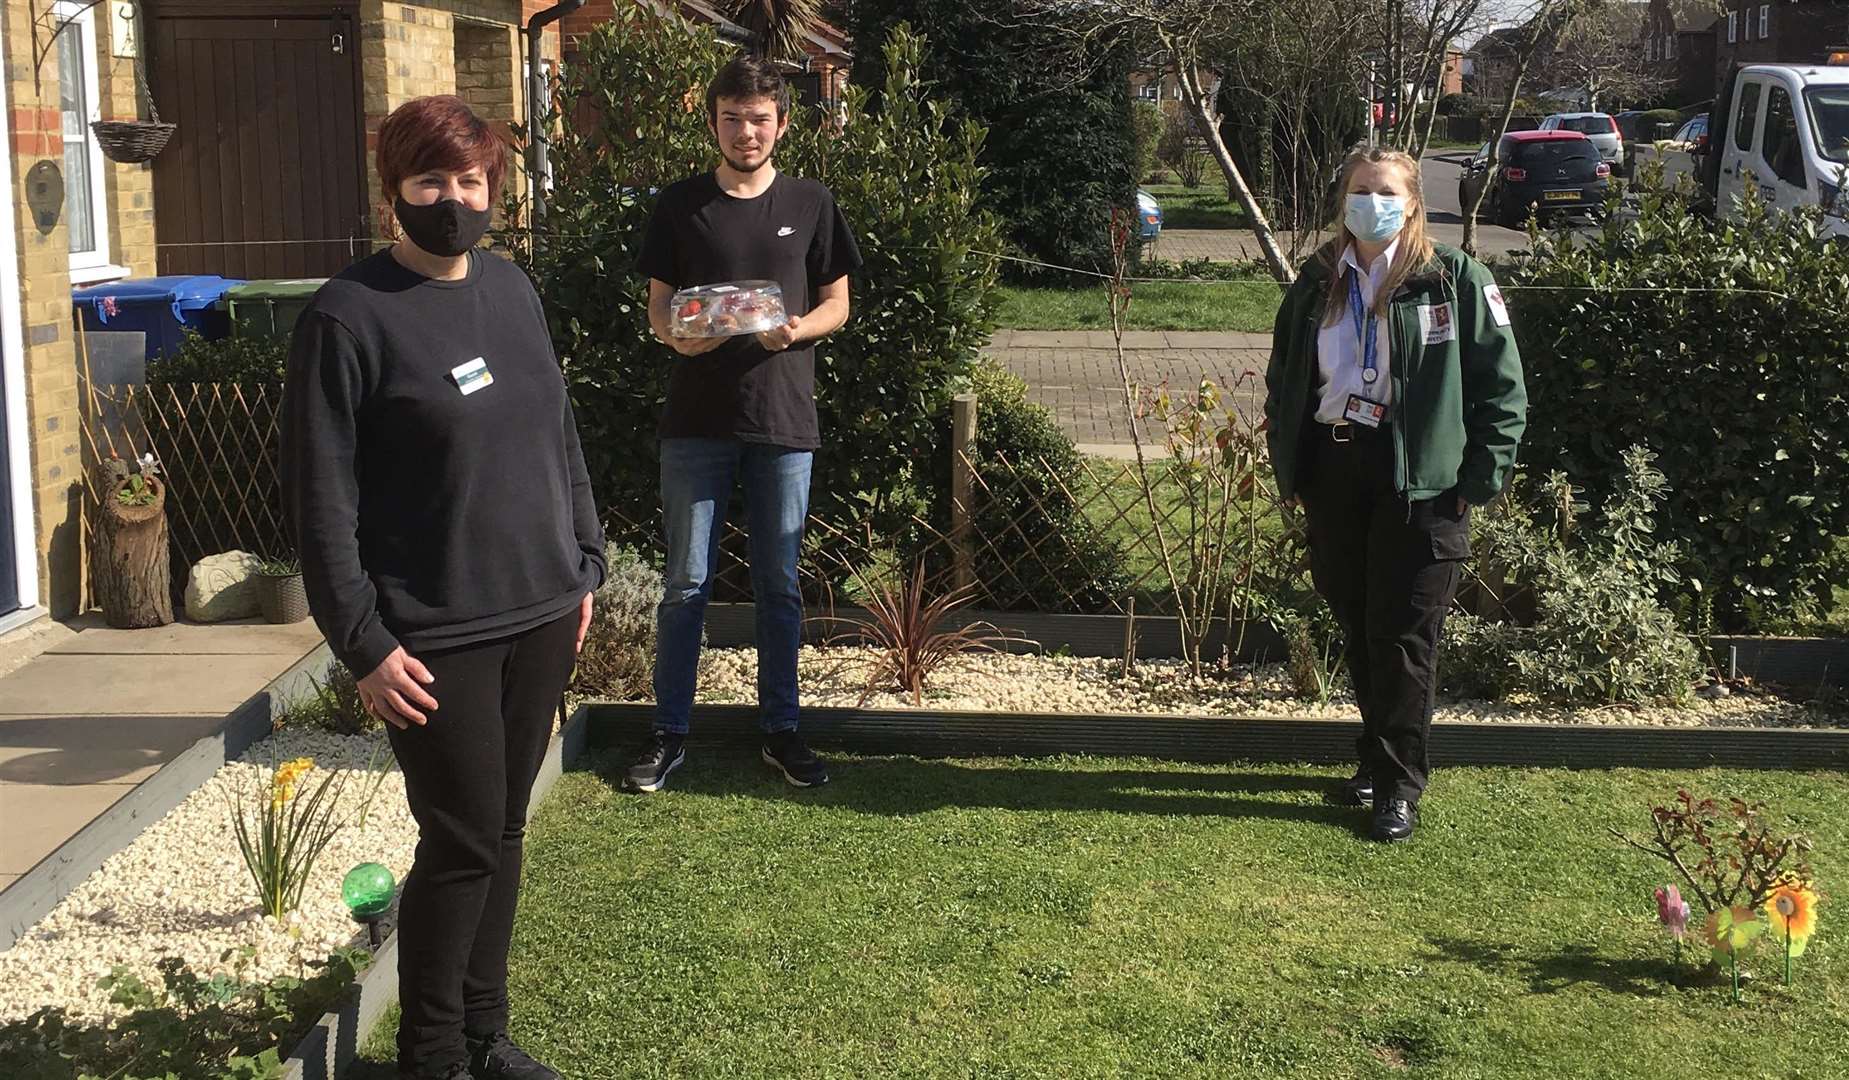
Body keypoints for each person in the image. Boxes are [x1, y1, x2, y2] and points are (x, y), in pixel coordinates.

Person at [281, 95, 604, 1080]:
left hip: (541, 608)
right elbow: (320, 499)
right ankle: (431, 1058)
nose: (453, 200)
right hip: (434, 635)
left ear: (493, 188)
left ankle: (482, 1037)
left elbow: (556, 434)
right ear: (394, 195)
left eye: (470, 182)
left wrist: (582, 561)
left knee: (501, 830)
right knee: (460, 840)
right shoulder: (347, 317)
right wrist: (363, 642)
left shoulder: (512, 290)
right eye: (432, 182)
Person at [1263, 145, 1527, 844]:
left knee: (1405, 636)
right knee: (1358, 625)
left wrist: (1480, 477)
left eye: (1383, 191)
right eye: (1357, 189)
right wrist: (1289, 466)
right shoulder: (1316, 280)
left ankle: (1396, 786)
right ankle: (1374, 761)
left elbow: (1503, 388)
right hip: (1335, 472)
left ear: (1410, 202)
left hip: (1423, 482)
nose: (1368, 202)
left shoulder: (1452, 280)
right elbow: (1283, 378)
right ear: (1342, 199)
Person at [623, 55, 863, 794]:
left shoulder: (812, 201)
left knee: (779, 586)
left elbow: (838, 303)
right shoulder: (680, 203)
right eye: (733, 118)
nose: (746, 131)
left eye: (759, 118)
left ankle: (781, 732)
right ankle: (668, 734)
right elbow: (660, 306)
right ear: (713, 123)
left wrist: (796, 333)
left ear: (782, 125)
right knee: (684, 585)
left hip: (782, 419)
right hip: (694, 421)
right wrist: (673, 336)